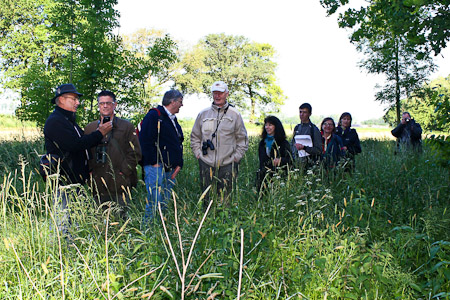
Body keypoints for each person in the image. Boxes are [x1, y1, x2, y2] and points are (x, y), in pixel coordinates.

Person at [44, 83, 112, 235]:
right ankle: (58, 250)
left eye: (77, 99)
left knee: (73, 219)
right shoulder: (56, 121)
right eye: (73, 99)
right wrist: (100, 133)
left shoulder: (68, 121)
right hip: (64, 182)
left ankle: (70, 251)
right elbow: (75, 145)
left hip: (74, 181)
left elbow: (81, 145)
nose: (78, 102)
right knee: (62, 220)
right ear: (61, 99)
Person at [84, 90, 142, 220]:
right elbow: (84, 152)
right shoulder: (90, 128)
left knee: (121, 219)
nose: (105, 106)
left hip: (120, 183)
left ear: (114, 105)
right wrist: (89, 172)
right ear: (98, 105)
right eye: (102, 103)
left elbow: (135, 152)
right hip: (98, 183)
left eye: (108, 103)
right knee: (99, 218)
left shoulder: (126, 127)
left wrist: (124, 172)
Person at [191, 81, 248, 206]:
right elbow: (195, 137)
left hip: (228, 163)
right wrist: (198, 154)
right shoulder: (203, 114)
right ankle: (206, 220)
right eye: (215, 93)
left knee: (226, 198)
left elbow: (242, 139)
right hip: (206, 162)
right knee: (206, 197)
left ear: (226, 94)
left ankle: (225, 221)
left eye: (220, 93)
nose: (217, 96)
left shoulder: (235, 114)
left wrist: (236, 158)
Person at [139, 90, 184, 222]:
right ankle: (148, 231)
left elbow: (176, 143)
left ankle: (160, 231)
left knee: (163, 203)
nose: (182, 105)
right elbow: (145, 141)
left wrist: (179, 164)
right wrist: (154, 162)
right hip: (156, 169)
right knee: (154, 203)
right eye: (180, 102)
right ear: (173, 102)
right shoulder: (154, 116)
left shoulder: (172, 119)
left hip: (170, 169)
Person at [257, 116, 292, 191]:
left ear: (276, 127)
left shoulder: (283, 143)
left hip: (278, 176)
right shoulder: (262, 143)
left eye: (270, 125)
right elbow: (261, 161)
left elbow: (289, 159)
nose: (267, 127)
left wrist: (280, 160)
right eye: (266, 125)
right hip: (264, 177)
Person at [291, 103, 322, 168]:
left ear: (309, 114)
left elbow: (318, 150)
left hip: (310, 164)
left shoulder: (314, 129)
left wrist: (304, 147)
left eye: (304, 112)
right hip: (296, 163)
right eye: (300, 112)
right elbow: (292, 144)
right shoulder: (297, 127)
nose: (302, 114)